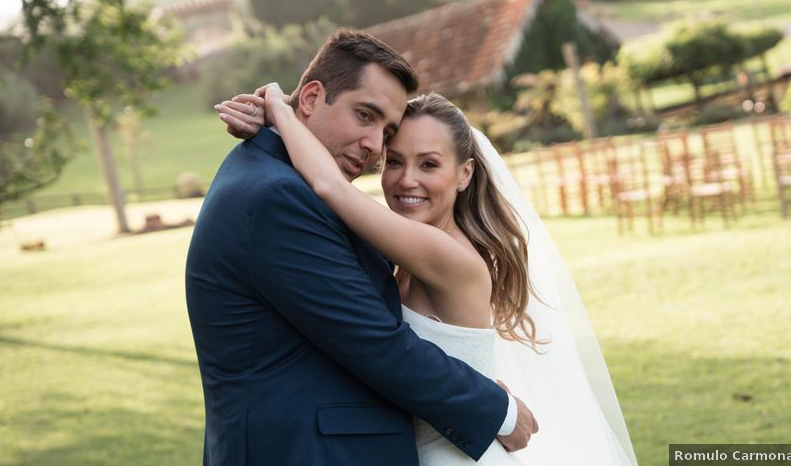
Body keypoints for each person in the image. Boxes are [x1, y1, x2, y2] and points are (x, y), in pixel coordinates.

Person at [219, 82, 637, 465]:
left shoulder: (445, 254)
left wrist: (280, 109)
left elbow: (330, 187)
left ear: (464, 174)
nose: (407, 180)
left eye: (429, 164)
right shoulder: (403, 248)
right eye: (394, 162)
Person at [185, 29, 537, 466]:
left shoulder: (293, 186)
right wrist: (497, 410)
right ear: (311, 98)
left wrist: (281, 116)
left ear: (464, 174)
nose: (375, 147)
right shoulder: (279, 197)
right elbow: (378, 344)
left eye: (386, 131)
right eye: (365, 116)